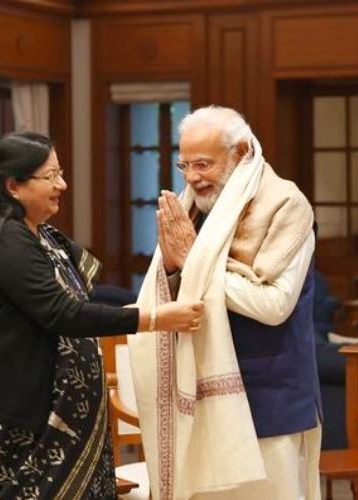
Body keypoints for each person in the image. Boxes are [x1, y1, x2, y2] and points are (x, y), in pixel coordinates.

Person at [0, 131, 203, 500]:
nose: (62, 185)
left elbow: (87, 295)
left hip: (42, 412)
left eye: (60, 173)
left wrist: (164, 279)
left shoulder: (44, 236)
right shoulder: (0, 238)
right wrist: (152, 319)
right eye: (50, 176)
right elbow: (61, 312)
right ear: (13, 186)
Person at [132, 106, 321, 499]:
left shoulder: (285, 206)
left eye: (203, 164)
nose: (191, 178)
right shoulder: (193, 209)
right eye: (184, 165)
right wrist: (171, 267)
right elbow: (180, 284)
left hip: (267, 400)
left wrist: (192, 260)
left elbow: (273, 306)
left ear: (242, 153)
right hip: (196, 397)